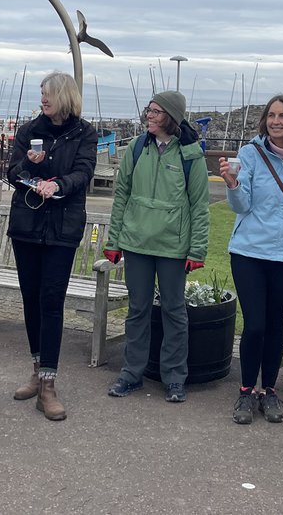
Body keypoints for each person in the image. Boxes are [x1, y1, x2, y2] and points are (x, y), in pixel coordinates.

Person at [104, 90, 209, 403]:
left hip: (172, 247)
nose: (149, 116)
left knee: (174, 312)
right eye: (148, 110)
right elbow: (121, 194)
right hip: (136, 243)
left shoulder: (191, 155)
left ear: (172, 117)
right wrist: (114, 240)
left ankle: (175, 377)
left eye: (156, 111)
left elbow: (199, 205)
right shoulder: (136, 148)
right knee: (137, 310)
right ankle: (131, 374)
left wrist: (197, 250)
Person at [220, 94, 283, 425]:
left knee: (276, 324)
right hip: (250, 251)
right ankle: (246, 391)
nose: (276, 121)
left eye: (282, 116)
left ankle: (270, 391)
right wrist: (233, 184)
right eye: (271, 115)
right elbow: (241, 205)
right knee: (256, 324)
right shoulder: (251, 153)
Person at [6, 72, 98, 420]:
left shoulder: (84, 133)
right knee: (30, 299)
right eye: (41, 94)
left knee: (51, 301)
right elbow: (12, 171)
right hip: (27, 226)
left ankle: (49, 384)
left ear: (63, 96)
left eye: (48, 94)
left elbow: (84, 171)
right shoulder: (30, 130)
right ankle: (35, 368)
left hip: (62, 228)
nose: (43, 99)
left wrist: (58, 183)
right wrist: (29, 167)